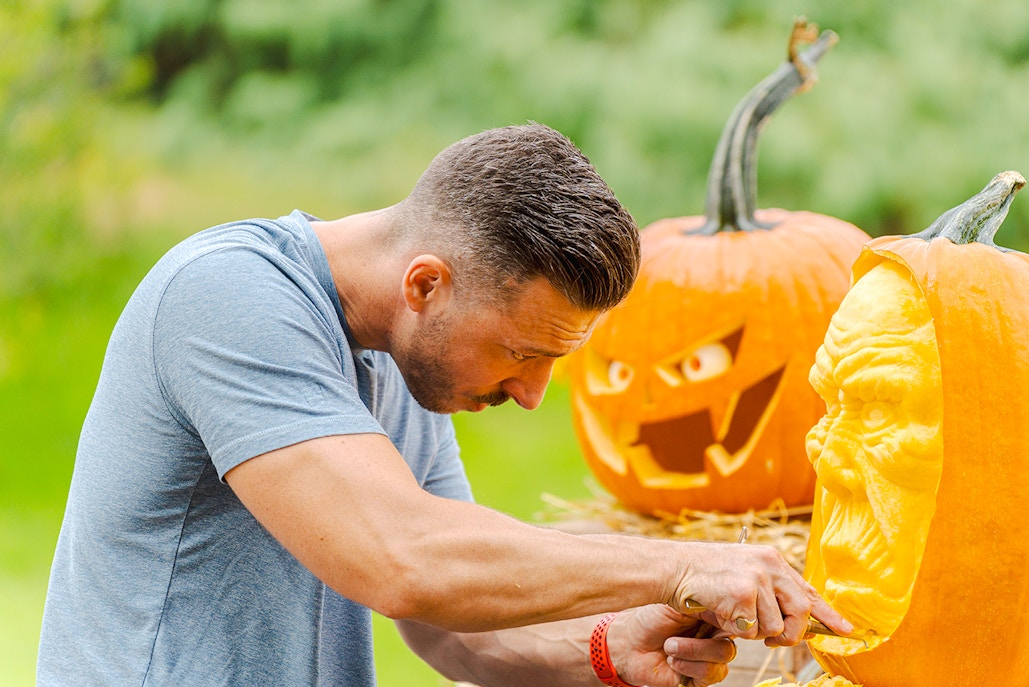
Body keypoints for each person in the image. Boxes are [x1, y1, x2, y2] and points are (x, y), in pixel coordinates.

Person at [37, 123, 850, 686]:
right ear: (426, 283)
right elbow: (403, 559)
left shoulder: (406, 357)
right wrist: (679, 565)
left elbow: (456, 625)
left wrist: (605, 648)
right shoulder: (226, 294)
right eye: (523, 353)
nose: (533, 396)